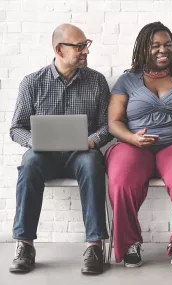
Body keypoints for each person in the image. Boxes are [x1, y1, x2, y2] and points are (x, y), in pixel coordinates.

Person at [9, 24, 111, 275]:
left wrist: (92, 141)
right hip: (44, 155)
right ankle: (24, 244)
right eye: (79, 46)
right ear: (59, 49)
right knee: (29, 163)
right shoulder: (32, 82)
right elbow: (16, 128)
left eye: (86, 44)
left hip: (82, 153)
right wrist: (37, 141)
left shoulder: (97, 81)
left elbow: (108, 126)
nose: (85, 50)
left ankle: (94, 245)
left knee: (91, 163)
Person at [106, 22, 172, 268]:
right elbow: (114, 122)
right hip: (133, 145)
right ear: (143, 49)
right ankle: (129, 242)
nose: (163, 50)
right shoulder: (127, 80)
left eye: (168, 45)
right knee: (120, 178)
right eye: (156, 45)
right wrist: (132, 138)